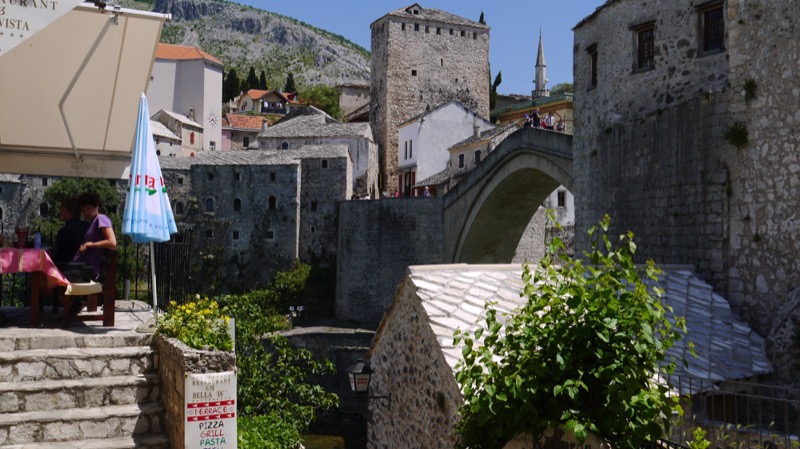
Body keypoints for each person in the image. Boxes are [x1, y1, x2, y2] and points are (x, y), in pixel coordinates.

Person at [72, 192, 117, 281]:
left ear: (97, 207)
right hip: (82, 267)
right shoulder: (92, 222)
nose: (86, 212)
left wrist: (90, 245)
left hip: (87, 270)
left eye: (89, 208)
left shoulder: (101, 218)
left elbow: (112, 242)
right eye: (83, 210)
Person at [51, 197, 89, 272]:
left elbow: (58, 256)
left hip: (69, 269)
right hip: (86, 268)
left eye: (63, 210)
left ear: (71, 212)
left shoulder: (64, 231)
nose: (61, 213)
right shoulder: (87, 226)